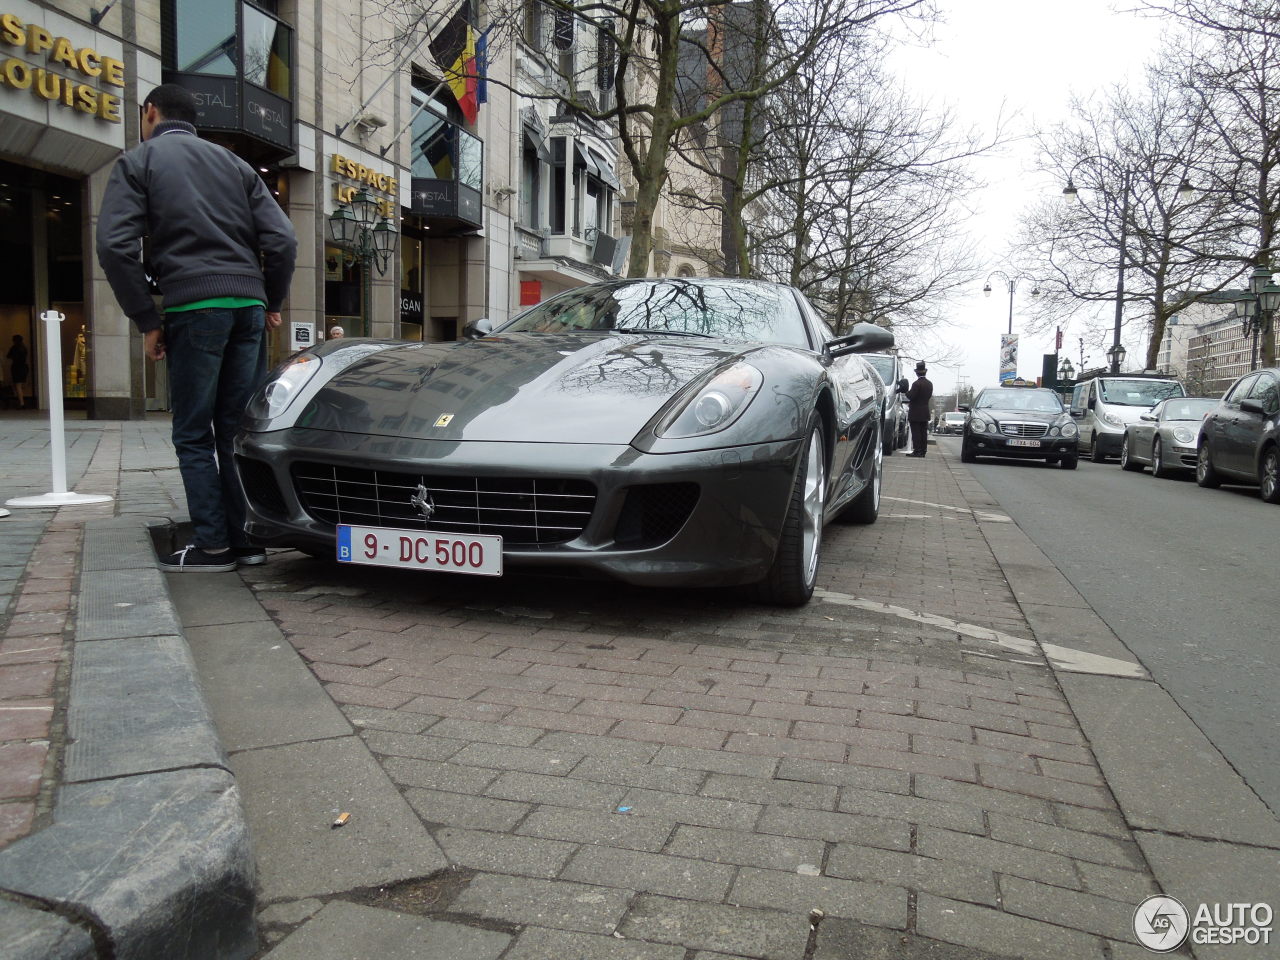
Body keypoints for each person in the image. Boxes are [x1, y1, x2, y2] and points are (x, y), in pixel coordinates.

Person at [97, 83, 297, 572]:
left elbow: (114, 247)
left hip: (193, 306)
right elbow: (284, 240)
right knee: (233, 431)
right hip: (247, 306)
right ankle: (247, 542)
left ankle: (211, 547)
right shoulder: (236, 165)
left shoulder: (139, 162)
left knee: (192, 433)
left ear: (149, 113)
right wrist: (270, 299)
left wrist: (147, 319)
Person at [904, 360, 933, 457]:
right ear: (925, 372)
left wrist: (905, 391)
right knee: (923, 432)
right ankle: (923, 451)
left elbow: (911, 396)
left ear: (916, 373)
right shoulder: (929, 384)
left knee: (916, 432)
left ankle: (917, 451)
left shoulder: (916, 384)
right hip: (925, 411)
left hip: (916, 412)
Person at [7, 335, 28, 408]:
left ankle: (21, 402)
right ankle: (22, 400)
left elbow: (8, 356)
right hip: (23, 367)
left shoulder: (14, 348)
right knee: (21, 385)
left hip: (16, 367)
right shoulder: (24, 348)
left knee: (17, 385)